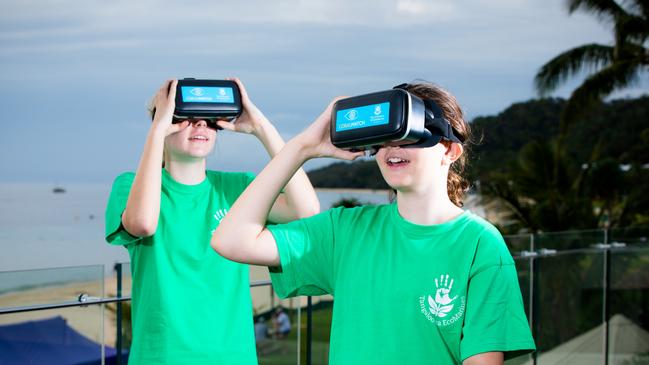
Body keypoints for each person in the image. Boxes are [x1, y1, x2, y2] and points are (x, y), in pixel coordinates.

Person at [211, 82, 536, 364]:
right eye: (384, 138)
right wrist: (302, 148)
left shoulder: (480, 245)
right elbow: (231, 239)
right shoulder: (346, 230)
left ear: (449, 150)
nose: (393, 148)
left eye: (410, 136)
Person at [105, 78, 320, 364]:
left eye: (209, 120)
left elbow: (305, 211)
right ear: (164, 122)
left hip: (232, 355)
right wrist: (156, 131)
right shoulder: (130, 186)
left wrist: (261, 128)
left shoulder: (235, 189)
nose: (201, 126)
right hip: (162, 356)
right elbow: (143, 224)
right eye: (185, 118)